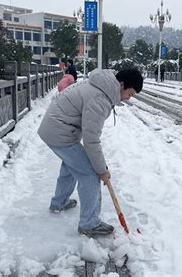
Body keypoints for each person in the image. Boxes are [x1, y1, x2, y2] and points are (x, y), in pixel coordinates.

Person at [38, 69, 144, 236]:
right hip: (60, 132)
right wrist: (101, 170)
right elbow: (91, 139)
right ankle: (89, 223)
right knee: (89, 173)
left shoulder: (101, 88)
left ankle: (59, 202)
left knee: (71, 165)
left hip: (55, 129)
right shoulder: (99, 98)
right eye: (129, 94)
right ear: (121, 85)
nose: (127, 98)